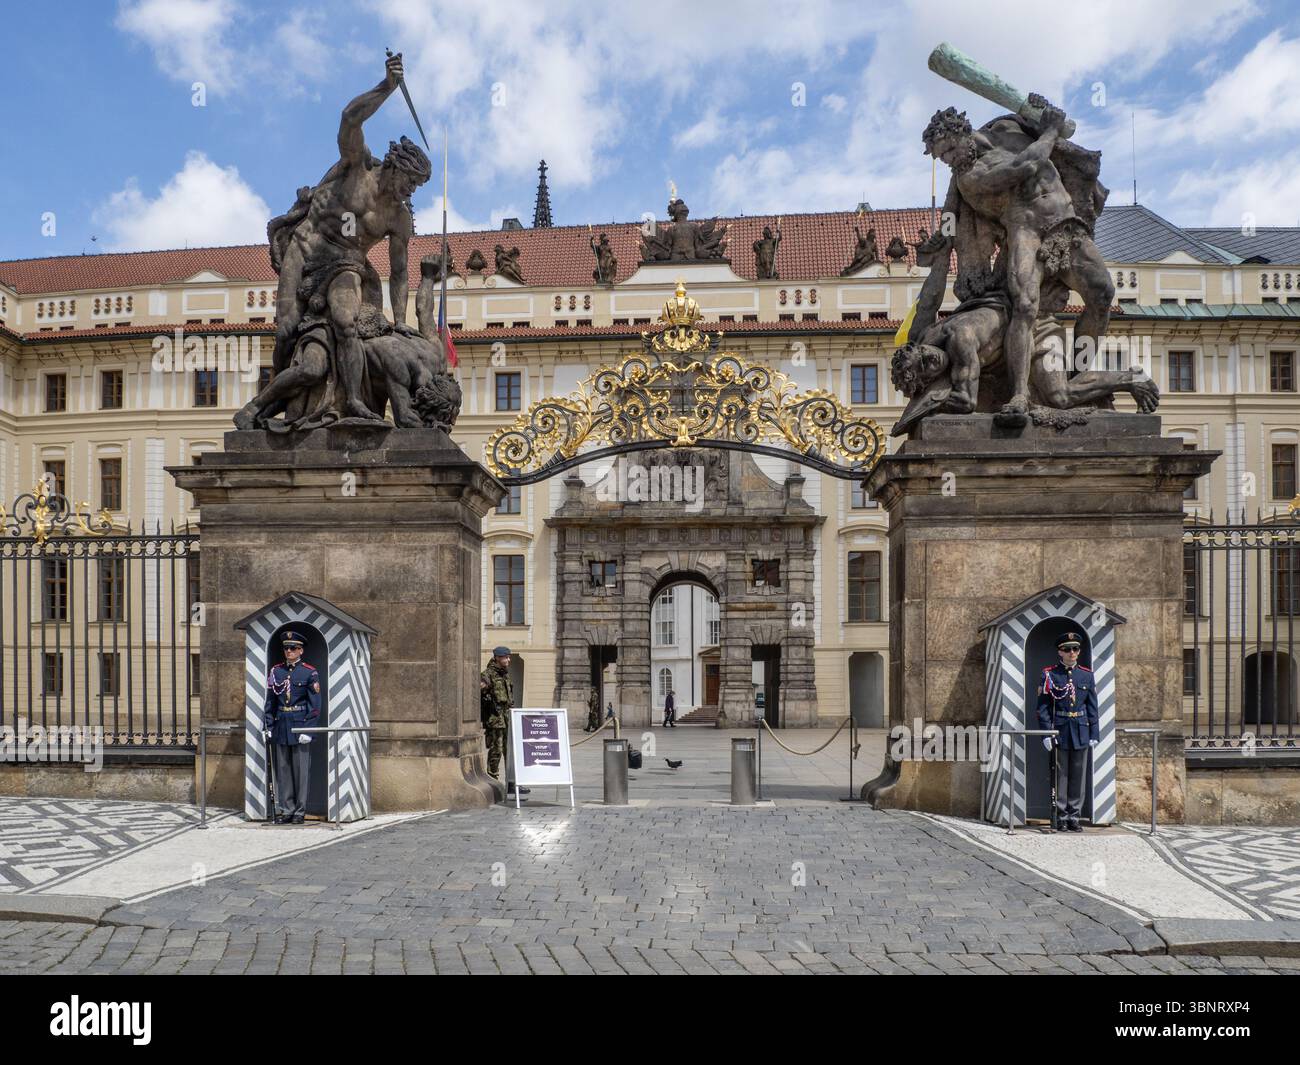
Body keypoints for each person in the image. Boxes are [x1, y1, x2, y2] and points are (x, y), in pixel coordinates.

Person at [1035, 631, 1099, 832]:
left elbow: (1092, 707)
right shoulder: (1050, 675)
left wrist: (1094, 733)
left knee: (1078, 776)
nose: (1072, 653)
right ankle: (1061, 816)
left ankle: (1074, 816)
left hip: (1081, 730)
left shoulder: (1086, 675)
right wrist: (1046, 733)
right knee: (1061, 775)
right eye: (1068, 649)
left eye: (1075, 649)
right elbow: (1043, 708)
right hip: (1060, 730)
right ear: (1060, 652)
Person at [262, 631, 321, 825]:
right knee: (284, 770)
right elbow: (270, 701)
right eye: (286, 648)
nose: (289, 651)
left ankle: (299, 811)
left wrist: (308, 730)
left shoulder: (309, 672)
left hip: (300, 725)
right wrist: (268, 725)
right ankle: (287, 810)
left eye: (293, 648)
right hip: (281, 724)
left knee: (300, 771)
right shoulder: (276, 671)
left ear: (301, 650)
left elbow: (315, 704)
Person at [480, 646, 528, 797]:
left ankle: (512, 783)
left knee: (510, 751)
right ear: (497, 658)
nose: (508, 659)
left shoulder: (505, 674)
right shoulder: (487, 675)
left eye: (508, 657)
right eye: (505, 657)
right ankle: (492, 782)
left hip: (507, 717)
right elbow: (479, 693)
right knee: (497, 750)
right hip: (495, 719)